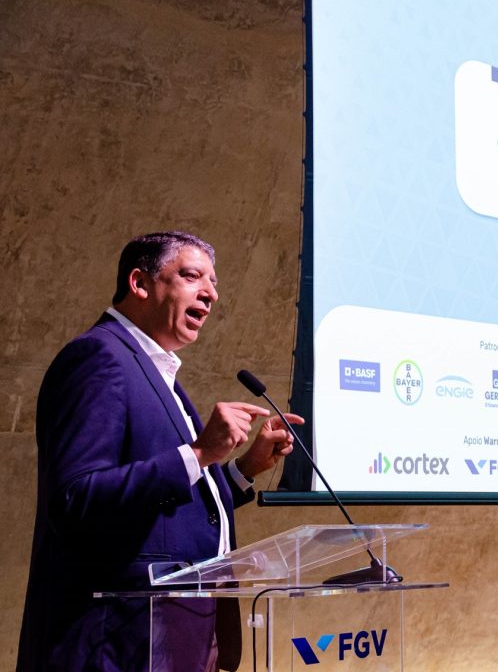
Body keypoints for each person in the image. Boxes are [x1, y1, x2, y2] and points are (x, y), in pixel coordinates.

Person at [17, 231, 302, 671]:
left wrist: (243, 469)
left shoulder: (153, 368)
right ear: (140, 283)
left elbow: (164, 511)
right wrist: (200, 453)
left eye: (214, 283)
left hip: (176, 635)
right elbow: (74, 497)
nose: (211, 294)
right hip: (117, 642)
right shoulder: (98, 358)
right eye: (192, 276)